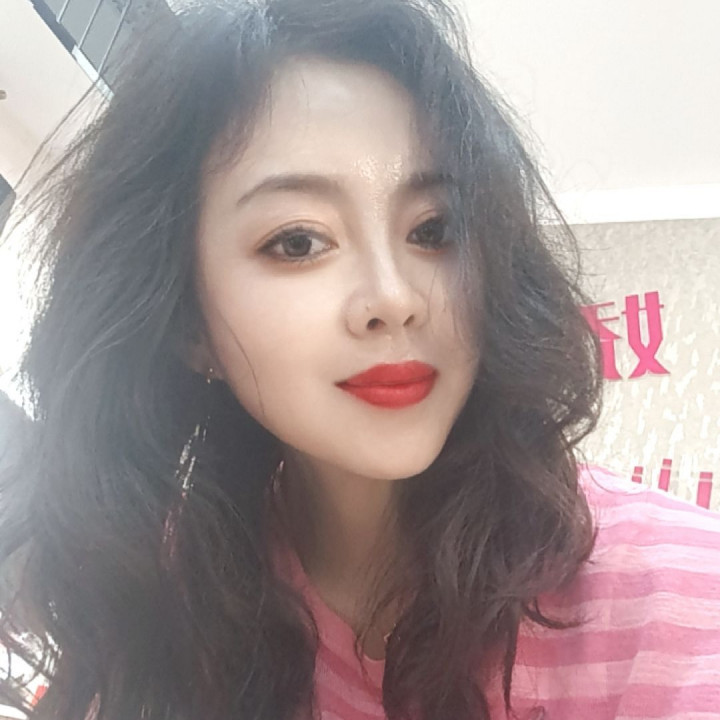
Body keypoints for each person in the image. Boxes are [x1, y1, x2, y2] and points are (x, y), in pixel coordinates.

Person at [0, 1, 718, 719]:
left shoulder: (676, 596)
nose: (395, 298)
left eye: (434, 230)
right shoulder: (166, 581)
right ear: (190, 325)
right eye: (298, 242)